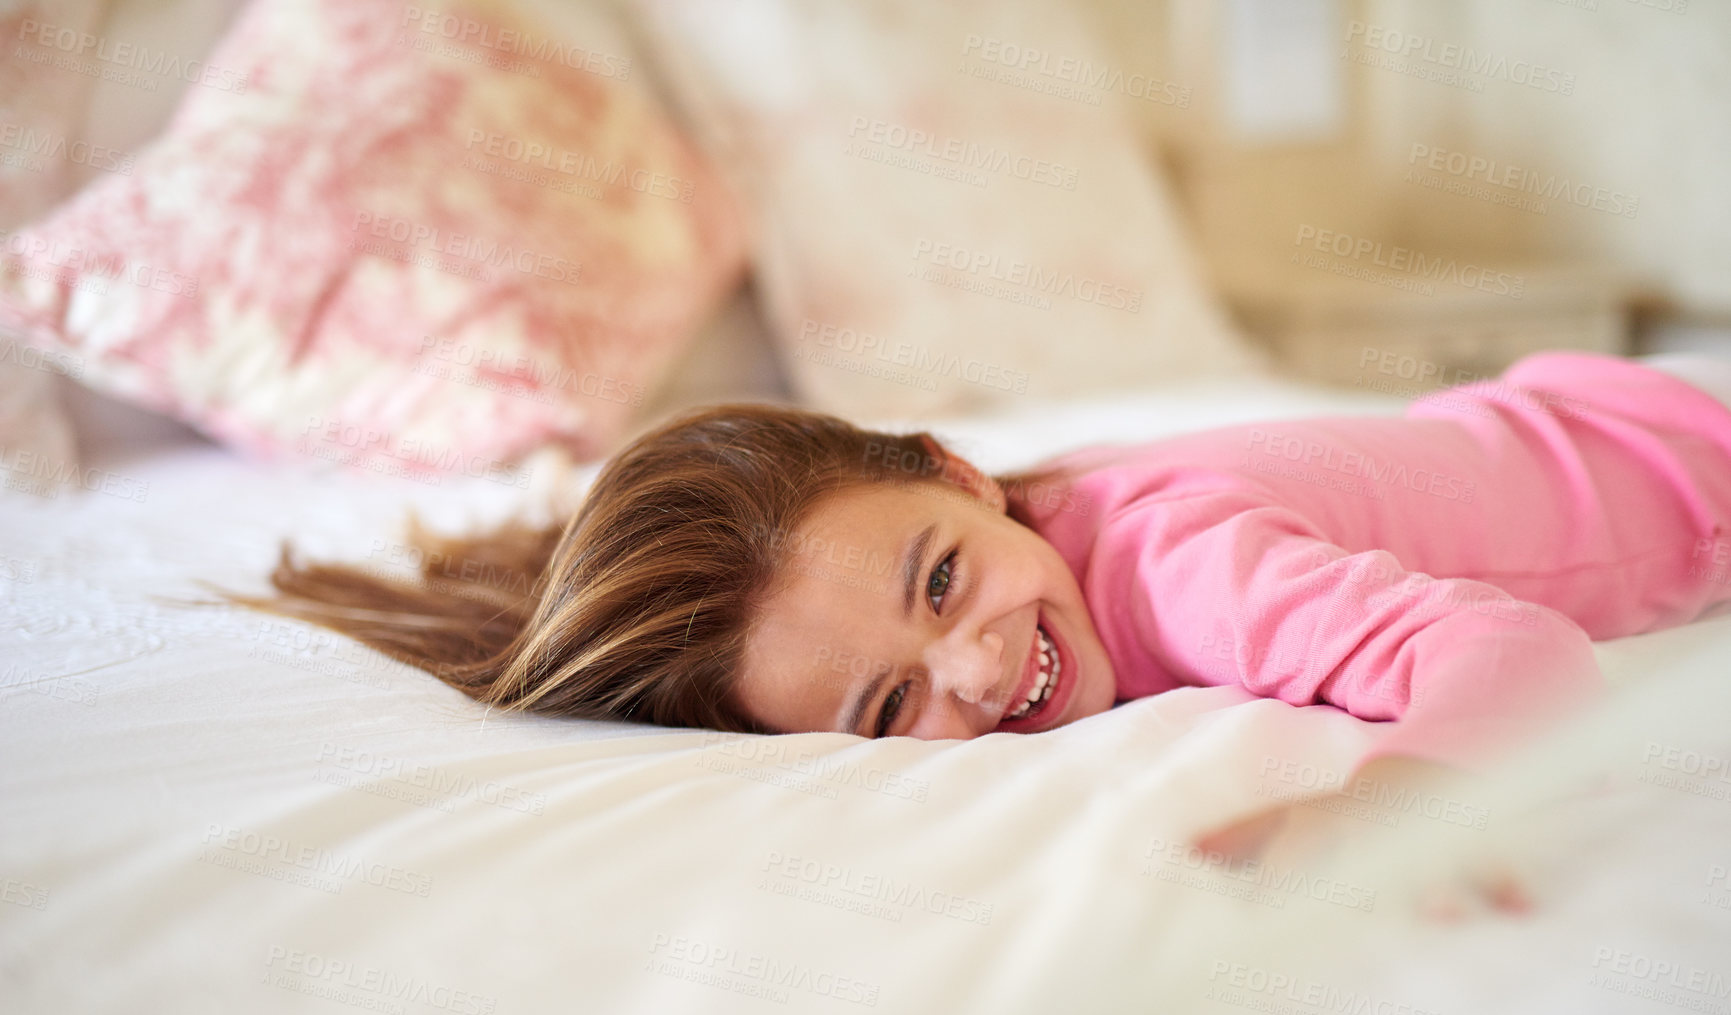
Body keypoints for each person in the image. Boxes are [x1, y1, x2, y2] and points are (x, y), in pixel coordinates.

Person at [236, 351, 1731, 770]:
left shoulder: (1172, 562)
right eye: (889, 711)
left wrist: (1402, 803)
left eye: (941, 581)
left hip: (1686, 473)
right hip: (1555, 423)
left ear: (960, 473)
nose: (976, 670)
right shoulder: (1015, 542)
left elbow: (1513, 655)